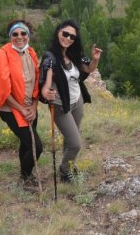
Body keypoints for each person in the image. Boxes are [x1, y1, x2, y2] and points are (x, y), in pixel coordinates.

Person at [0, 20, 42, 186]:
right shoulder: (1, 56)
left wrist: (33, 106)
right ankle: (25, 177)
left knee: (26, 143)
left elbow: (36, 84)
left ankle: (25, 174)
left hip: (30, 107)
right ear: (10, 36)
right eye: (15, 34)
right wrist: (21, 109)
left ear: (28, 35)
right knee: (37, 146)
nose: (19, 37)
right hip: (11, 108)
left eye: (23, 33)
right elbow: (1, 89)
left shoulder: (31, 54)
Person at [39, 20, 102, 182]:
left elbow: (88, 69)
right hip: (61, 106)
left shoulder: (74, 55)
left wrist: (95, 59)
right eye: (65, 34)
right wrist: (46, 92)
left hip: (77, 101)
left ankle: (69, 163)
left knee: (70, 139)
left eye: (72, 37)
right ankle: (65, 171)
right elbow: (45, 82)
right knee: (75, 144)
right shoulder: (50, 57)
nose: (68, 38)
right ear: (58, 32)